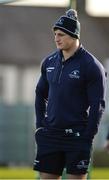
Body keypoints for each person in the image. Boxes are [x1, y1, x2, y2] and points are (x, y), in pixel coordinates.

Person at [33, 9, 107, 179]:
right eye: (55, 34)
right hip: (50, 135)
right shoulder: (49, 62)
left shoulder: (92, 66)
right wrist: (40, 125)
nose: (56, 38)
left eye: (61, 35)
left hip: (77, 138)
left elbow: (98, 104)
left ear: (74, 35)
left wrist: (88, 135)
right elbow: (39, 94)